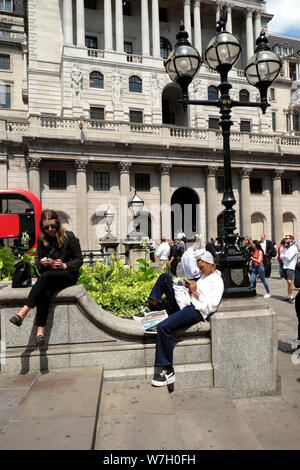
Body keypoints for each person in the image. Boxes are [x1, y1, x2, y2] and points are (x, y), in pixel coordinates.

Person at [141, 249, 224, 387]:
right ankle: (152, 307)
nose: (199, 270)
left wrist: (195, 291)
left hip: (196, 310)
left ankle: (167, 370)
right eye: (198, 267)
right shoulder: (204, 277)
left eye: (201, 267)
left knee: (163, 327)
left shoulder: (217, 281)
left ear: (210, 264)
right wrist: (186, 286)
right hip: (186, 302)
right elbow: (194, 290)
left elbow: (211, 306)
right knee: (165, 278)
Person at [9, 209, 83, 346]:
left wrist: (65, 265)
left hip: (68, 275)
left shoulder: (69, 237)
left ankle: (23, 312)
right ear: (42, 227)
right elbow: (41, 268)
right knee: (45, 292)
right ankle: (40, 332)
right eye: (46, 227)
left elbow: (79, 260)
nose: (50, 229)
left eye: (53, 226)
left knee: (47, 277)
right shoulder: (41, 239)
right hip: (50, 276)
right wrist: (42, 262)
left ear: (58, 224)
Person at [280, 234, 298, 303]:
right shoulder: (286, 247)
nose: (285, 240)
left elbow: (289, 258)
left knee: (290, 282)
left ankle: (292, 297)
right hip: (285, 266)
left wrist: (284, 255)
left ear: (291, 239)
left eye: (287, 238)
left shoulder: (294, 247)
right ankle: (289, 296)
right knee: (288, 283)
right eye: (285, 238)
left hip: (290, 267)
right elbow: (281, 256)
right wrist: (285, 255)